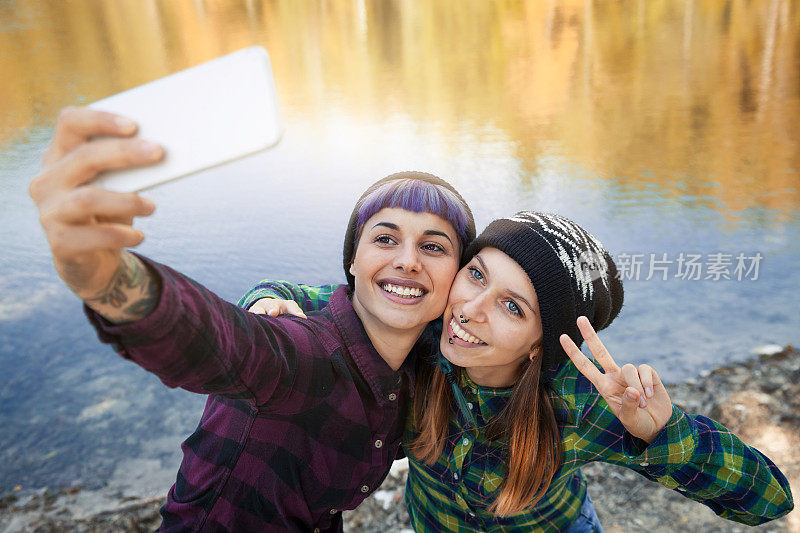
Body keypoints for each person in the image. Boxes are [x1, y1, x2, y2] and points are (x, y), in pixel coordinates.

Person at [29, 106, 478, 531]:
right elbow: (215, 340)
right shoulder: (302, 352)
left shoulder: (424, 366)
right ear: (354, 263)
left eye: (433, 247)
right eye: (385, 238)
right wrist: (101, 273)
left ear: (457, 279)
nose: (407, 261)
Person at [247, 212, 794, 531]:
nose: (470, 309)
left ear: (540, 346)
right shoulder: (420, 336)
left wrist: (663, 435)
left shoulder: (579, 404)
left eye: (513, 307)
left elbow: (767, 499)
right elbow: (312, 297)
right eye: (477, 274)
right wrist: (266, 306)